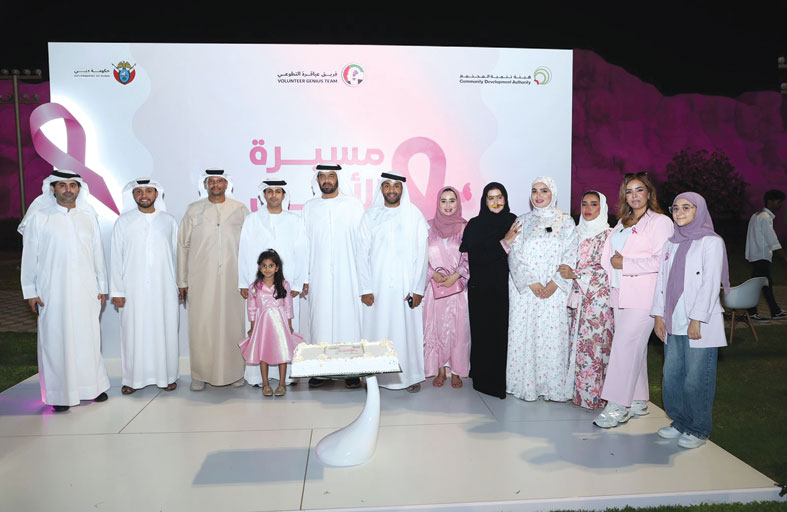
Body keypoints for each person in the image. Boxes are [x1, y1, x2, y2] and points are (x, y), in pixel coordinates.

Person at [19, 170, 110, 412]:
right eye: (62, 185)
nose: (68, 189)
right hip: (52, 291)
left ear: (79, 189)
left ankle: (92, 387)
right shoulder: (40, 218)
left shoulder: (88, 217)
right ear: (52, 188)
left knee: (88, 338)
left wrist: (102, 286)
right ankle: (59, 394)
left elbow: (97, 254)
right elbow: (29, 257)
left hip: (86, 289)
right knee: (55, 340)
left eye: (72, 185)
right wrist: (30, 291)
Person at [594, 172, 673, 428]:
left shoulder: (660, 222)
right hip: (620, 293)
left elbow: (662, 260)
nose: (634, 195)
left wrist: (626, 263)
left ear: (649, 193)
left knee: (624, 347)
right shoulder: (622, 222)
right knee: (633, 347)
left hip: (644, 296)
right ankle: (638, 399)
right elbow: (610, 255)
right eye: (629, 191)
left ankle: (618, 405)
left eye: (639, 190)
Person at [652, 192, 730, 449]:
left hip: (699, 322)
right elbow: (662, 282)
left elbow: (710, 283)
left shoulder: (711, 242)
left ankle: (698, 428)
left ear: (700, 210)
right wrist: (658, 315)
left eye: (687, 207)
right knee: (672, 375)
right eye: (675, 208)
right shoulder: (670, 244)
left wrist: (697, 319)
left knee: (697, 378)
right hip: (672, 320)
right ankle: (680, 421)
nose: (680, 212)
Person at [177, 169, 250, 391]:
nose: (216, 185)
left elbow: (249, 246)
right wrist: (182, 281)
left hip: (233, 279)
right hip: (200, 279)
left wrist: (248, 280)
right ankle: (200, 375)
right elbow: (183, 245)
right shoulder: (193, 210)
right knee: (202, 326)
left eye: (220, 181)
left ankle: (234, 373)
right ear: (206, 184)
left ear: (227, 184)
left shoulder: (240, 210)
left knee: (232, 325)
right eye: (212, 181)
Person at [507, 177, 577, 401]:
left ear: (552, 193)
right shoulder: (521, 221)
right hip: (527, 291)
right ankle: (525, 385)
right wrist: (532, 282)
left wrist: (554, 283)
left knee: (551, 337)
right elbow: (514, 254)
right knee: (526, 335)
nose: (538, 195)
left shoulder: (566, 221)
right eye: (535, 191)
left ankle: (552, 386)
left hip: (554, 291)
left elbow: (570, 254)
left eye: (544, 191)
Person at [357, 172, 429, 391]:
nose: (391, 190)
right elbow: (361, 254)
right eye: (387, 185)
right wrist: (365, 288)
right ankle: (374, 377)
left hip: (405, 288)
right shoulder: (370, 216)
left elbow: (422, 254)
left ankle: (409, 377)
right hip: (376, 287)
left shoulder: (414, 215)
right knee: (377, 331)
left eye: (396, 186)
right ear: (381, 188)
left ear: (402, 189)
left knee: (405, 332)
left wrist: (418, 289)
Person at [110, 178, 179, 394]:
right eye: (139, 192)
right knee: (133, 333)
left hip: (164, 288)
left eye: (149, 191)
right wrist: (117, 290)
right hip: (132, 289)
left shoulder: (169, 221)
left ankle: (167, 376)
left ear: (157, 194)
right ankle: (132, 379)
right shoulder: (123, 222)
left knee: (165, 330)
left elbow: (177, 256)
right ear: (133, 196)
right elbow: (115, 258)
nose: (144, 195)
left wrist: (180, 285)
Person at [238, 180, 307, 386]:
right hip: (258, 287)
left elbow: (302, 251)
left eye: (278, 191)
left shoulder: (295, 220)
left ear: (284, 195)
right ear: (264, 195)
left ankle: (289, 376)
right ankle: (259, 377)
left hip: (286, 288)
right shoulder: (252, 220)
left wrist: (299, 282)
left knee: (287, 330)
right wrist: (244, 282)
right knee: (259, 331)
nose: (274, 195)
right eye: (269, 191)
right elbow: (244, 251)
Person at [301, 164, 365, 388]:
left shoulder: (353, 205)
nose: (326, 180)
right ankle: (322, 370)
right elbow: (303, 245)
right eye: (322, 176)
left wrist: (363, 277)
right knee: (320, 319)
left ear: (338, 178)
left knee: (348, 319)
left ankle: (351, 371)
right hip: (318, 273)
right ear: (317, 180)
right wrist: (305, 276)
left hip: (349, 274)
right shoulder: (309, 207)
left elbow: (362, 243)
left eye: (331, 176)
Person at [459, 182, 519, 399]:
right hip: (481, 289)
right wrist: (504, 242)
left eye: (499, 197)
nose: (495, 202)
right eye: (490, 198)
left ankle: (501, 381)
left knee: (502, 335)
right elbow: (477, 259)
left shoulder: (513, 221)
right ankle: (482, 379)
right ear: (484, 201)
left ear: (505, 199)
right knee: (483, 334)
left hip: (506, 288)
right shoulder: (475, 224)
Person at [558, 191, 614, 409]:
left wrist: (576, 274)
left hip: (597, 300)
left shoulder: (608, 235)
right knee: (577, 344)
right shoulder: (576, 233)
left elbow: (607, 270)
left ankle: (594, 396)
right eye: (584, 204)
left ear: (603, 208)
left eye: (594, 204)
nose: (588, 209)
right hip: (577, 296)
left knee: (594, 346)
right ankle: (577, 393)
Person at [423, 186, 470, 389]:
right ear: (438, 203)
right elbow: (419, 257)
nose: (448, 205)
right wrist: (432, 273)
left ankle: (457, 370)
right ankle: (440, 369)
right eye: (443, 201)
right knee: (436, 328)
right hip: (434, 288)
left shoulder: (464, 227)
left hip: (457, 288)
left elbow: (470, 256)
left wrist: (457, 275)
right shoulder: (427, 227)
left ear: (458, 203)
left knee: (458, 330)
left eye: (452, 200)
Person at [238, 250, 302, 397]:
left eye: (271, 265)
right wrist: (253, 327)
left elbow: (288, 306)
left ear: (277, 268)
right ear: (259, 267)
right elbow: (252, 307)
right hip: (263, 324)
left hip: (280, 324)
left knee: (282, 351)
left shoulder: (284, 285)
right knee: (263, 351)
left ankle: (282, 384)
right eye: (264, 265)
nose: (267, 269)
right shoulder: (255, 287)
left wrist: (289, 324)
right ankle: (265, 384)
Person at [745, 189, 787, 320]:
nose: (780, 205)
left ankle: (772, 311)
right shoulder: (765, 217)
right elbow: (772, 240)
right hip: (762, 256)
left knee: (764, 285)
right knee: (761, 285)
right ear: (770, 201)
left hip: (755, 256)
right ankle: (755, 313)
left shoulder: (756, 215)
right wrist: (784, 255)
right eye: (778, 202)